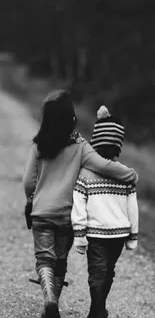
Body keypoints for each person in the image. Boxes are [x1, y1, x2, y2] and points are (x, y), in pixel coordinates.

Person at [22, 91, 138, 318]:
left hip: (41, 213)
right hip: (67, 215)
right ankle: (53, 302)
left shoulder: (39, 146)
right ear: (72, 119)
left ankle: (50, 302)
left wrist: (31, 199)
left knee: (44, 258)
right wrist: (131, 175)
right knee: (60, 261)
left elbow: (28, 182)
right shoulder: (81, 146)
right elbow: (104, 165)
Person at [71, 105, 139, 318]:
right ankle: (98, 310)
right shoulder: (126, 175)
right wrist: (133, 236)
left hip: (97, 233)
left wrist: (79, 234)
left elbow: (78, 203)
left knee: (98, 272)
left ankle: (97, 309)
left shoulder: (86, 174)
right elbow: (132, 208)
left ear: (95, 143)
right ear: (119, 144)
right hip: (117, 233)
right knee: (107, 271)